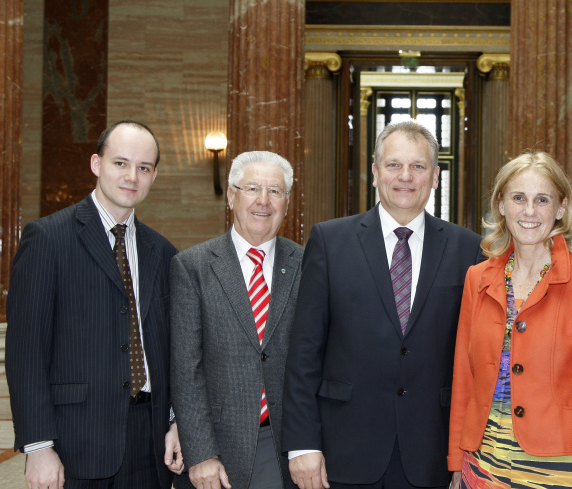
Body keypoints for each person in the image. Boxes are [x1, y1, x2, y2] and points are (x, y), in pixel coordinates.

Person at [282, 120, 483, 489]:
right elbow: (304, 352)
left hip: (432, 453)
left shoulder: (468, 249)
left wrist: (465, 453)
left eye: (418, 166)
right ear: (375, 173)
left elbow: (475, 360)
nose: (405, 176)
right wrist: (302, 444)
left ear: (435, 176)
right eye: (394, 165)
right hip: (343, 450)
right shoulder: (330, 241)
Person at [6, 120, 183, 489]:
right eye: (121, 163)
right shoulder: (47, 239)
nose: (132, 176)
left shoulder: (163, 252)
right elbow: (26, 352)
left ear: (153, 176)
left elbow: (172, 351)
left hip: (149, 444)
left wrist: (175, 421)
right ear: (96, 164)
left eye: (144, 168)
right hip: (75, 442)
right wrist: (38, 446)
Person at [448, 152, 572, 489]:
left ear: (560, 208)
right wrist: (457, 459)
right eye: (518, 198)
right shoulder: (477, 278)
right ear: (501, 204)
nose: (529, 211)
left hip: (557, 469)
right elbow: (464, 379)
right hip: (482, 464)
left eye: (542, 199)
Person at [170, 151, 303, 489]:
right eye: (252, 188)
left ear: (287, 202)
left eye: (275, 191)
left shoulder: (308, 264)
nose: (263, 200)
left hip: (287, 448)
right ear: (231, 196)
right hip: (217, 450)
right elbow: (186, 370)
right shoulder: (193, 267)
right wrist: (200, 453)